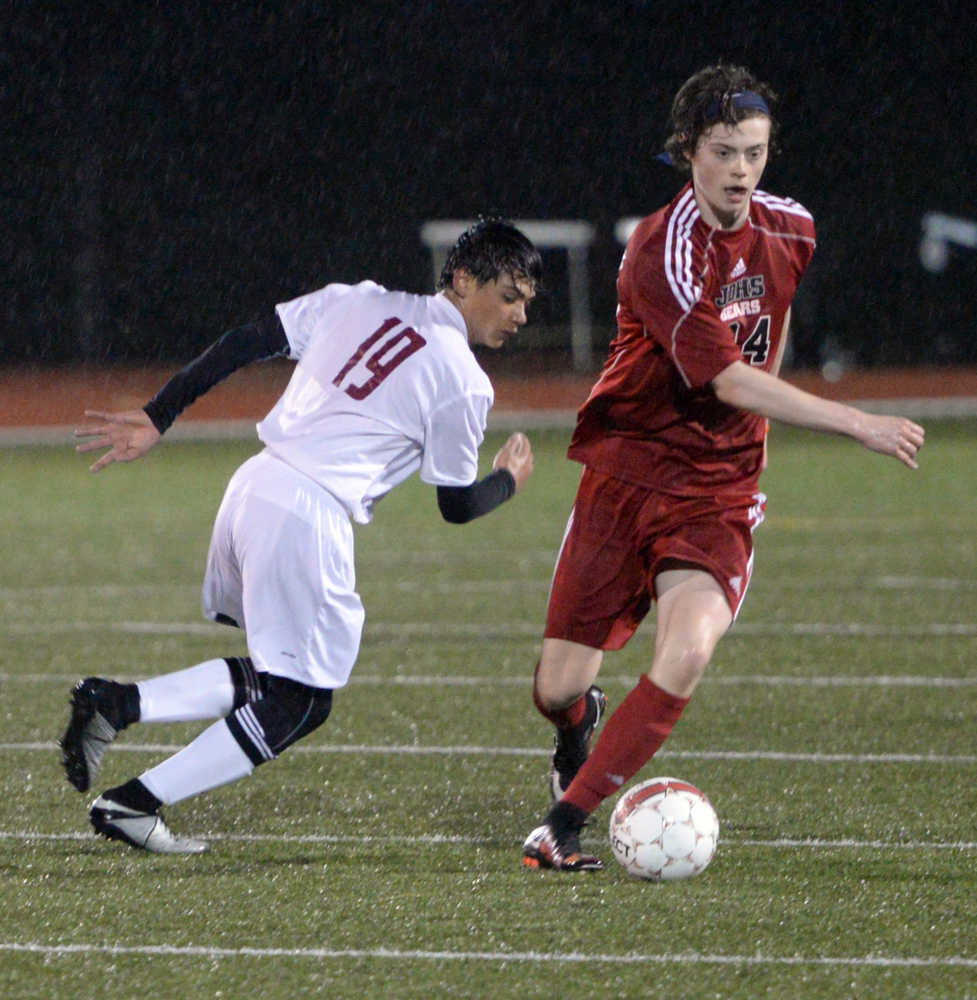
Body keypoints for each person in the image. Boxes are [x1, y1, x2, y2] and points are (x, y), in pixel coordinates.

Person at [521, 64, 926, 871]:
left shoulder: (792, 228)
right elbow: (724, 376)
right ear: (686, 152)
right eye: (723, 151)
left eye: (755, 151)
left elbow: (765, 337)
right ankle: (579, 726)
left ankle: (562, 822)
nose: (741, 169)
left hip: (716, 490)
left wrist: (750, 452)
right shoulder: (659, 249)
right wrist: (855, 421)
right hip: (627, 476)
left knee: (688, 650)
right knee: (555, 689)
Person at [59, 217, 541, 853]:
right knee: (302, 703)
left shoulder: (359, 298)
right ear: (462, 278)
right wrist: (506, 480)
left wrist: (159, 415)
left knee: (278, 677)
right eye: (509, 296)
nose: (520, 315)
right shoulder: (463, 379)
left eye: (528, 302)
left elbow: (244, 341)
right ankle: (132, 802)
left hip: (254, 486)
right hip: (306, 513)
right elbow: (455, 505)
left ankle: (116, 704)